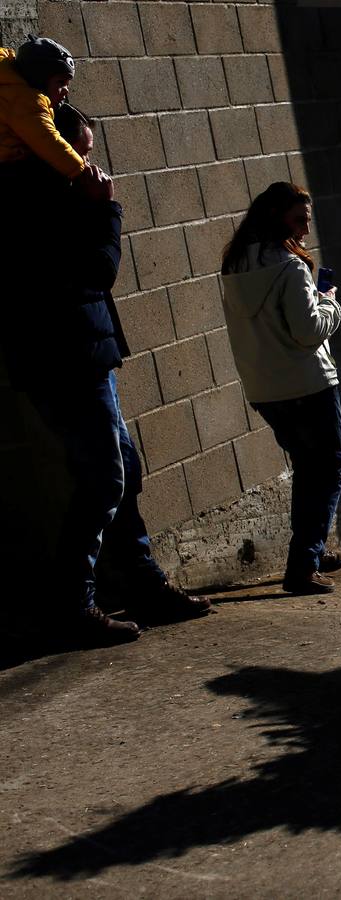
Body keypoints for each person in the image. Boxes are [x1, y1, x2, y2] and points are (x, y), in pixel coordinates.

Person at [2, 105, 211, 645]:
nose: (88, 162)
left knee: (125, 468)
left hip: (83, 356)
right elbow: (97, 271)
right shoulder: (38, 201)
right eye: (82, 151)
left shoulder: (52, 196)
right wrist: (107, 212)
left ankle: (142, 583)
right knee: (105, 478)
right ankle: (72, 604)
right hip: (65, 360)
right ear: (57, 149)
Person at [221, 183, 341, 594]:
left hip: (266, 389)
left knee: (307, 470)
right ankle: (303, 563)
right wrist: (329, 300)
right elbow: (308, 330)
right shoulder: (290, 267)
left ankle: (310, 551)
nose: (305, 231)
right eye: (299, 220)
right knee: (328, 469)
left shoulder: (235, 264)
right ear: (276, 215)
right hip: (308, 383)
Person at [0, 37, 86, 184]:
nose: (66, 91)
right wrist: (80, 170)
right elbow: (50, 141)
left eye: (67, 84)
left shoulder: (12, 89)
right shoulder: (28, 101)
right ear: (39, 80)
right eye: (61, 82)